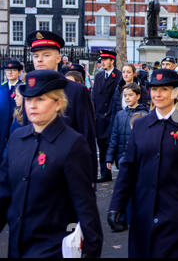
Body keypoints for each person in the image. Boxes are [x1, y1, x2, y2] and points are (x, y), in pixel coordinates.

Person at [108, 69, 178, 258]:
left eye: (164, 89)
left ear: (175, 92)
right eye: (154, 89)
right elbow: (128, 169)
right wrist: (117, 205)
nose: (157, 94)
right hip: (143, 213)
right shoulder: (140, 126)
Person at [0, 70, 103, 258]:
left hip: (52, 248)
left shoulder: (72, 143)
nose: (32, 106)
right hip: (18, 247)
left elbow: (85, 206)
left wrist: (91, 250)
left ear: (58, 103)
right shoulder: (17, 139)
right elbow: (4, 191)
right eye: (29, 99)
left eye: (40, 99)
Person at [25, 30, 97, 183]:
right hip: (33, 172)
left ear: (58, 58)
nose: (40, 60)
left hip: (67, 171)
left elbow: (87, 135)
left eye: (46, 55)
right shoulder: (27, 91)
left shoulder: (76, 91)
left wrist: (89, 178)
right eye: (36, 56)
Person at [92, 50, 122, 183]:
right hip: (100, 118)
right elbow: (94, 97)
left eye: (105, 60)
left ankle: (122, 172)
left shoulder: (119, 76)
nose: (102, 62)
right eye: (101, 60)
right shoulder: (98, 76)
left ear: (112, 61)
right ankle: (105, 173)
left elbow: (118, 99)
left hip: (112, 117)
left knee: (115, 146)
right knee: (102, 147)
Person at [106, 83, 149, 171]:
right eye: (125, 95)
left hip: (138, 158)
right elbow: (114, 138)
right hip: (122, 158)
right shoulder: (119, 115)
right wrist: (109, 158)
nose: (127, 98)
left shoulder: (144, 115)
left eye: (130, 95)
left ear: (138, 96)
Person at [0, 60, 23, 163]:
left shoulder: (23, 88)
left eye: (13, 70)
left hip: (17, 127)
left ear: (19, 73)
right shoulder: (1, 87)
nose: (10, 73)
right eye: (7, 70)